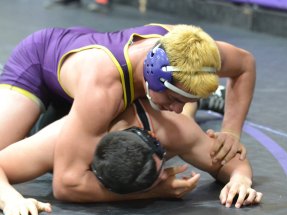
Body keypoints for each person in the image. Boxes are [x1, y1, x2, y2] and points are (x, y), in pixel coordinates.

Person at [0, 24, 255, 200]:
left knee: (173, 124)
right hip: (39, 64)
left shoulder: (191, 51)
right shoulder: (103, 91)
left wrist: (231, 132)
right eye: (175, 99)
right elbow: (67, 184)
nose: (177, 109)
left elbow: (245, 65)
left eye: (185, 101)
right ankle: (47, 116)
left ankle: (197, 100)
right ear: (153, 76)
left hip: (89, 70)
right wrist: (154, 192)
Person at [0, 99, 262, 215]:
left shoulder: (171, 130)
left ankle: (194, 99)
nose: (164, 177)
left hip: (119, 95)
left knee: (183, 122)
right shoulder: (61, 140)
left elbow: (231, 163)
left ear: (153, 138)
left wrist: (241, 179)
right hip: (50, 91)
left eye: (160, 170)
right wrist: (11, 199)